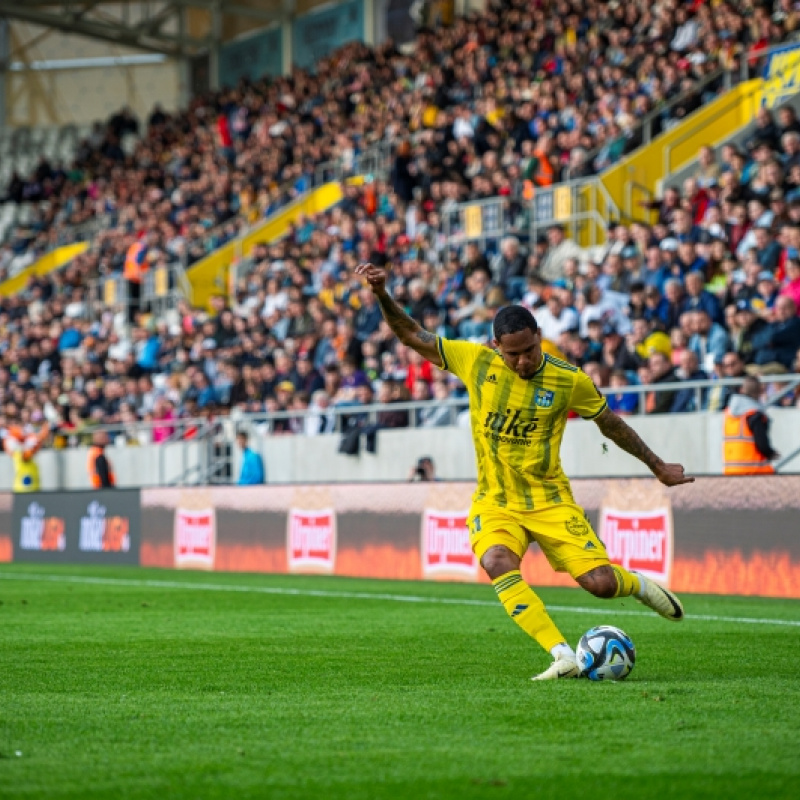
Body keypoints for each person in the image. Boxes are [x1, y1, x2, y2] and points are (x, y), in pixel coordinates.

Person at [355, 261, 692, 682]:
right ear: (496, 346)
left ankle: (637, 585)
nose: (522, 361)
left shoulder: (569, 380)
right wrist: (382, 294)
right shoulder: (474, 361)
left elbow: (610, 424)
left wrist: (657, 465)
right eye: (512, 353)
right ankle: (561, 653)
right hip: (496, 501)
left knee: (601, 585)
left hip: (550, 499)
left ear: (539, 339)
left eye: (529, 349)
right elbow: (410, 334)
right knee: (497, 560)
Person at [723, 376, 779, 474]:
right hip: (754, 470)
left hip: (731, 470)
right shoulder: (754, 414)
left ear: (742, 390)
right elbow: (762, 444)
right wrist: (771, 453)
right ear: (760, 391)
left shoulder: (729, 412)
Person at [7, 423, 50, 493]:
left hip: (35, 491)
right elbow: (27, 454)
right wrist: (39, 438)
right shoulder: (19, 453)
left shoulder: (28, 454)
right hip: (21, 491)